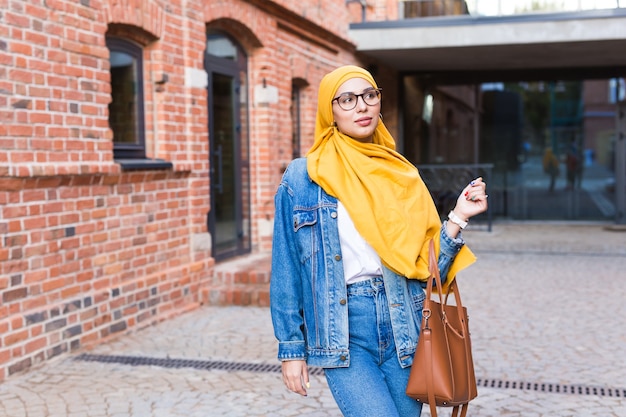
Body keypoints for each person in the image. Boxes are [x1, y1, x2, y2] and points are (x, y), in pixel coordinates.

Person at [269, 65, 488, 417]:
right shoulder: (303, 176)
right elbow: (286, 268)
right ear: (330, 111)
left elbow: (429, 271)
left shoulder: (401, 174)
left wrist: (459, 217)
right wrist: (291, 349)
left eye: (370, 95)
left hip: (405, 321)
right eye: (348, 99)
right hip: (345, 331)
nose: (362, 106)